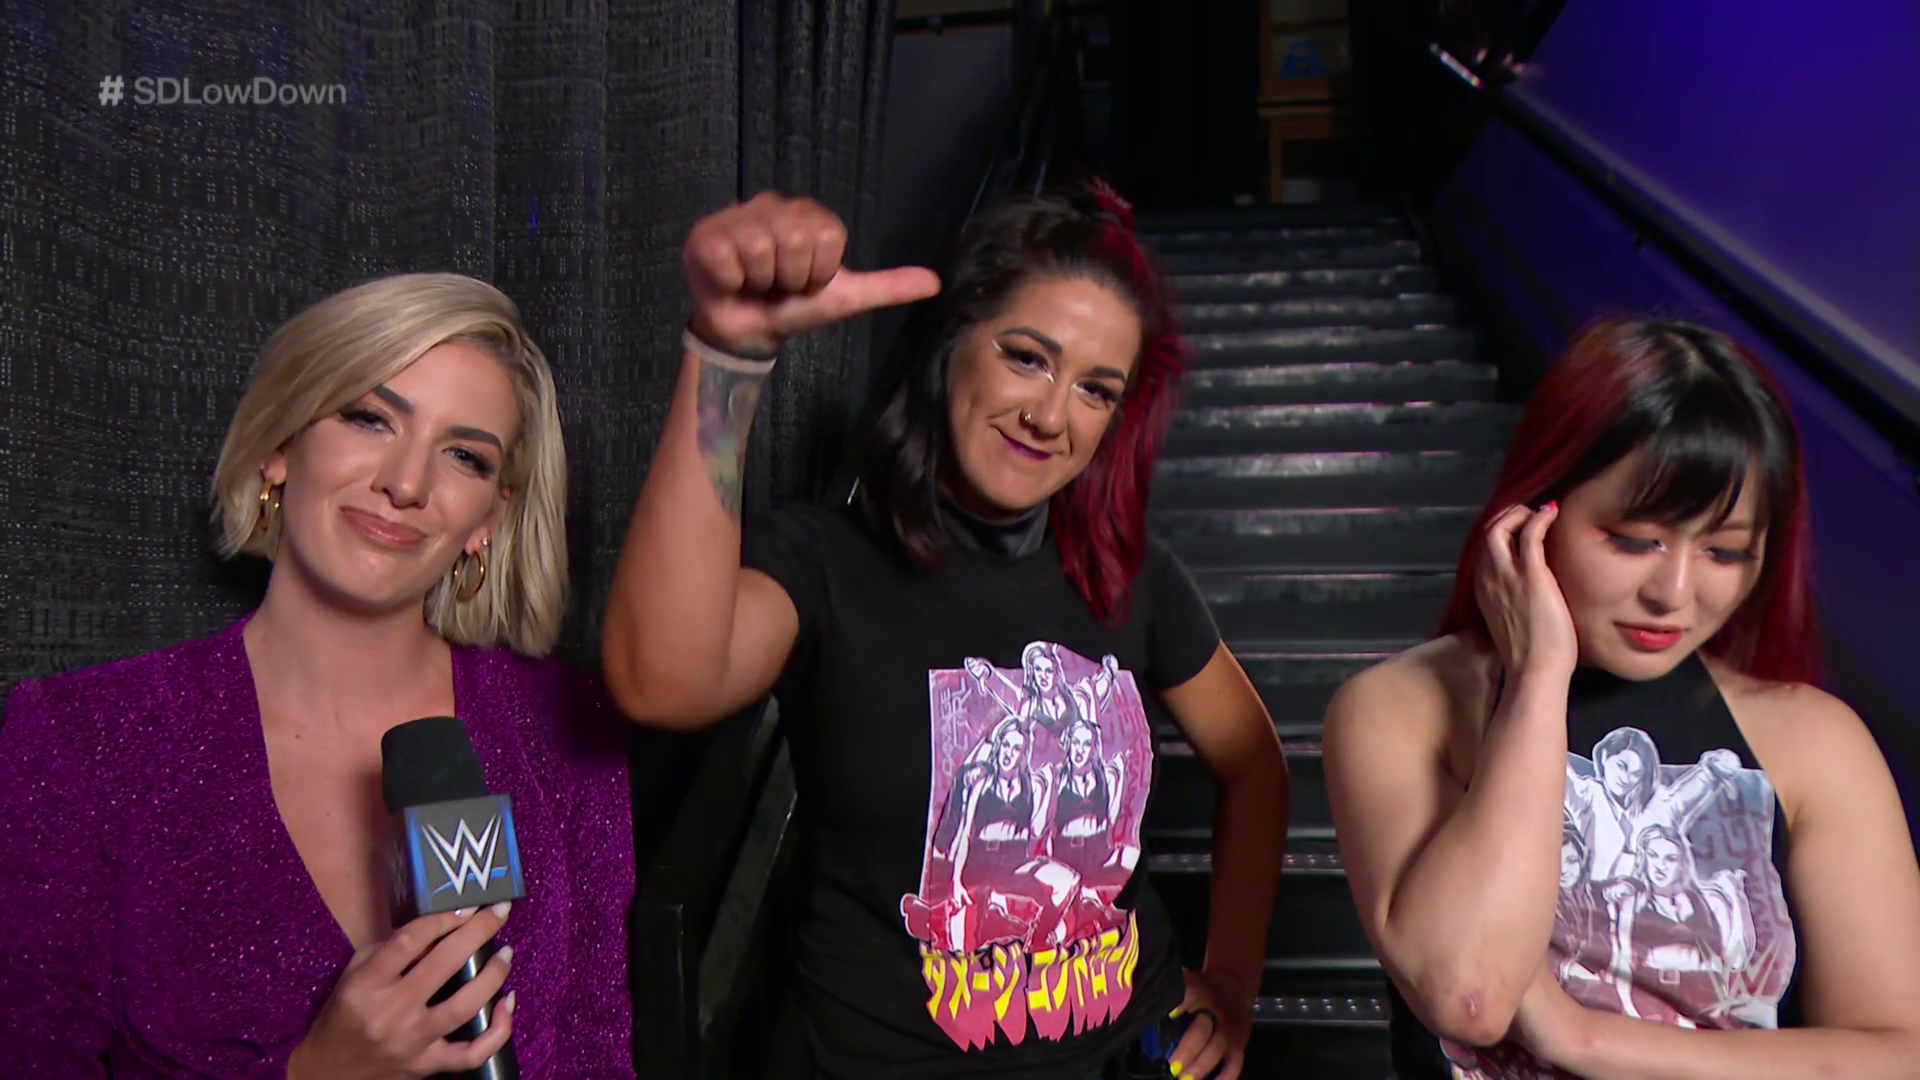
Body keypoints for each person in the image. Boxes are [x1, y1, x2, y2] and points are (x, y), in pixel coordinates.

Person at [601, 184, 1289, 1080]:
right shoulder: (826, 562)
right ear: (951, 344)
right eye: (1026, 357)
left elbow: (1255, 765)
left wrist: (1233, 978)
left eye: (1095, 390)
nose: (1051, 415)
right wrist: (728, 356)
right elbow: (660, 679)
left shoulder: (1131, 573)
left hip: (1133, 1050)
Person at [0, 273, 637, 1078]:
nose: (406, 484)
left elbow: (596, 1054)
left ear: (489, 519)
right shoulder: (82, 739)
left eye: (464, 456)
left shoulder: (564, 726)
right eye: (370, 418)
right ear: (279, 446)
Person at [1321, 316, 1920, 1078]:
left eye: (1725, 552)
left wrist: (1585, 1039)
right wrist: (1540, 676)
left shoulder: (1814, 741)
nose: (1674, 591)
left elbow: (1897, 1055)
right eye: (1636, 540)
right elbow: (1467, 995)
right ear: (1539, 511)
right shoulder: (1397, 710)